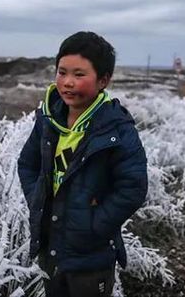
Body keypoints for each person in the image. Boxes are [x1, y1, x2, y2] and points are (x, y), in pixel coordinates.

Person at [17, 31, 148, 297]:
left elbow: (132, 188)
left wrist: (93, 227)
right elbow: (27, 164)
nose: (67, 83)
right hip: (50, 244)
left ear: (103, 80)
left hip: (91, 256)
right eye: (62, 72)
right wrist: (37, 199)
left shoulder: (117, 128)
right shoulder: (48, 119)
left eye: (79, 75)